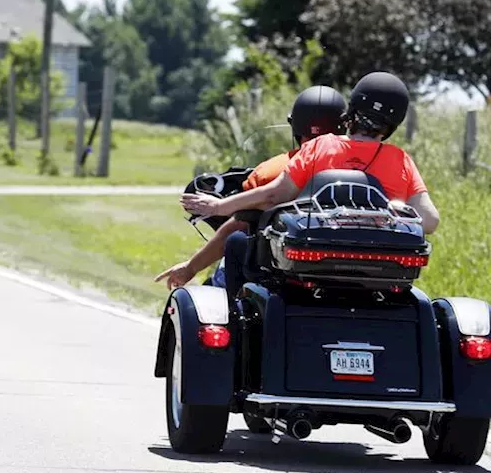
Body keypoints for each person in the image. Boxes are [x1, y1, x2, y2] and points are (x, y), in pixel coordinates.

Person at [181, 71, 439, 303]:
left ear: (352, 108)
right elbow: (429, 221)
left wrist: (220, 205)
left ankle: (238, 334)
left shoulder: (320, 146)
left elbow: (273, 195)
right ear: (393, 124)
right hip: (378, 274)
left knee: (237, 243)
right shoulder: (400, 160)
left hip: (309, 269)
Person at [155, 85, 347, 291]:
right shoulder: (363, 171)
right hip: (345, 272)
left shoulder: (271, 172)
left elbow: (238, 226)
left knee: (237, 242)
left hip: (278, 276)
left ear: (296, 127)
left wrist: (190, 268)